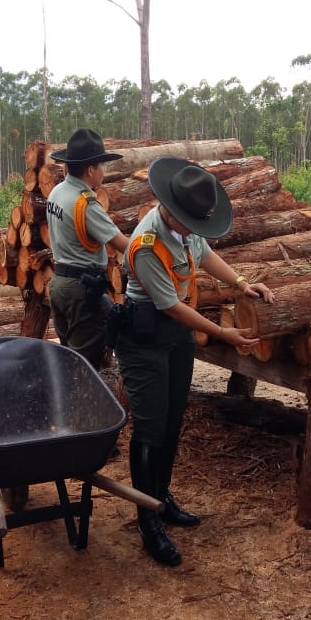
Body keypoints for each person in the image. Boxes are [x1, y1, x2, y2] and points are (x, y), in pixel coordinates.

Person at [112, 156, 275, 567]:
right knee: (149, 428)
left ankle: (162, 497)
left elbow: (204, 256)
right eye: (191, 223)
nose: (196, 231)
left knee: (171, 421)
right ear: (170, 209)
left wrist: (240, 283)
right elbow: (168, 304)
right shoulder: (147, 243)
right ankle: (148, 520)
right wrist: (222, 333)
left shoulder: (186, 230)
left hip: (176, 336)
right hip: (145, 335)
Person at [46, 128, 129, 369]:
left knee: (69, 356)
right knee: (85, 366)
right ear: (90, 169)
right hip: (82, 290)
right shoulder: (85, 202)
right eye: (102, 165)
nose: (104, 171)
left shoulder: (57, 192)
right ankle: (78, 406)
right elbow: (119, 242)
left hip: (59, 283)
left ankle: (66, 401)